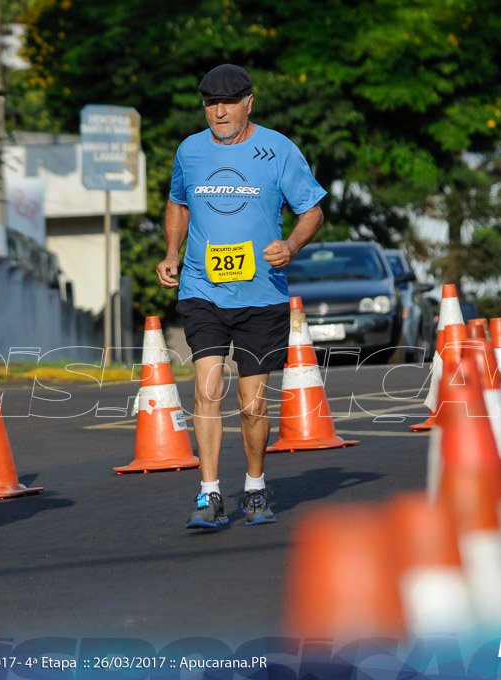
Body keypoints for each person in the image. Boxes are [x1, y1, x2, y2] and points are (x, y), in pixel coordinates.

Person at [156, 64, 326, 530]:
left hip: (262, 293)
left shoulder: (278, 149)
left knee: (253, 405)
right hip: (203, 288)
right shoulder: (189, 150)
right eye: (212, 103)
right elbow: (178, 201)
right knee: (207, 389)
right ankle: (209, 493)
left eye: (229, 102)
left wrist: (290, 246)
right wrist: (172, 252)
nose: (220, 111)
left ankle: (254, 485)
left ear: (249, 102)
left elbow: (312, 210)